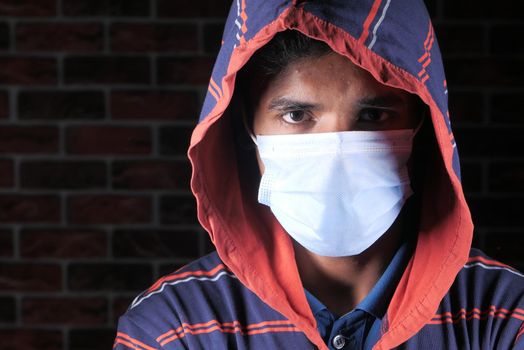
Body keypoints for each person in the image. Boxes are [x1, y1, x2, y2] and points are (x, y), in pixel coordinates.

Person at [114, 0, 524, 349]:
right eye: (296, 115)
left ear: (423, 125)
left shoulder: (503, 316)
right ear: (247, 128)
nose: (337, 151)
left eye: (373, 115)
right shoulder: (178, 328)